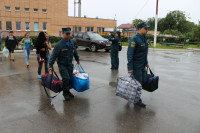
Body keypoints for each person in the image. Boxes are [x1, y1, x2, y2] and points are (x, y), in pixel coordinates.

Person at [49, 27, 80, 101]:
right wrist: (50, 65)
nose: (68, 35)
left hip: (69, 64)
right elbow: (53, 55)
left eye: (69, 33)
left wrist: (77, 59)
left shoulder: (72, 42)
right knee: (66, 78)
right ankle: (65, 93)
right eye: (67, 34)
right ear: (62, 33)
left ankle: (68, 91)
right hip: (62, 65)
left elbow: (75, 51)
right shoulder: (59, 45)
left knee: (70, 79)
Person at [127, 22, 150, 108]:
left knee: (143, 81)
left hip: (143, 65)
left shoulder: (144, 39)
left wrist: (146, 62)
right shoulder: (134, 39)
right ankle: (137, 101)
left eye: (147, 28)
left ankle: (130, 94)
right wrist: (130, 67)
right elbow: (130, 54)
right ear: (139, 28)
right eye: (145, 28)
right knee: (138, 84)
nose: (147, 30)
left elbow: (145, 53)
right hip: (136, 66)